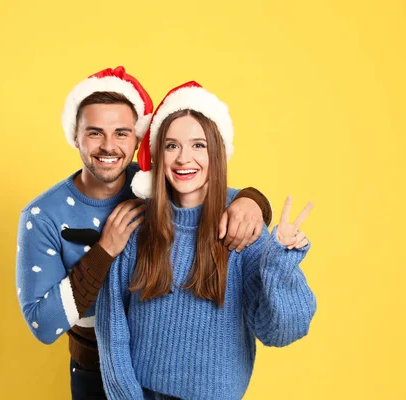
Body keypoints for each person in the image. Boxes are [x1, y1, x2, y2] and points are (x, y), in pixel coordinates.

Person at [16, 68, 273, 400]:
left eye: (122, 133)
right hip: (94, 367)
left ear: (138, 139)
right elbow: (43, 324)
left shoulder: (151, 184)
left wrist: (252, 201)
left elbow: (204, 187)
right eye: (94, 133)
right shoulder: (43, 215)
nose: (109, 146)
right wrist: (104, 250)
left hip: (156, 368)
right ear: (75, 136)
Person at [95, 81, 316, 400]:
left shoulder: (243, 229)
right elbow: (112, 328)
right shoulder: (135, 227)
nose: (185, 158)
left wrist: (280, 264)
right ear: (158, 155)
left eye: (199, 145)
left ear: (218, 152)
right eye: (172, 145)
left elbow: (280, 332)